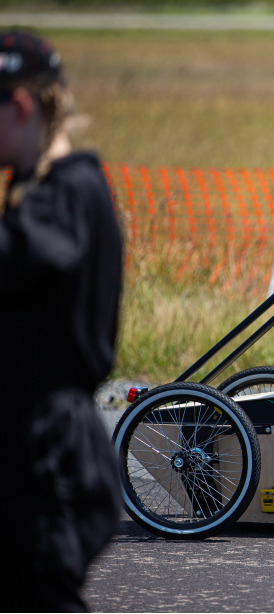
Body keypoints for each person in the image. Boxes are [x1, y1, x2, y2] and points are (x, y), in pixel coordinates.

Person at [0, 30, 123, 611]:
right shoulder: (62, 192)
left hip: (46, 451)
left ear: (19, 106)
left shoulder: (65, 198)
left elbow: (23, 257)